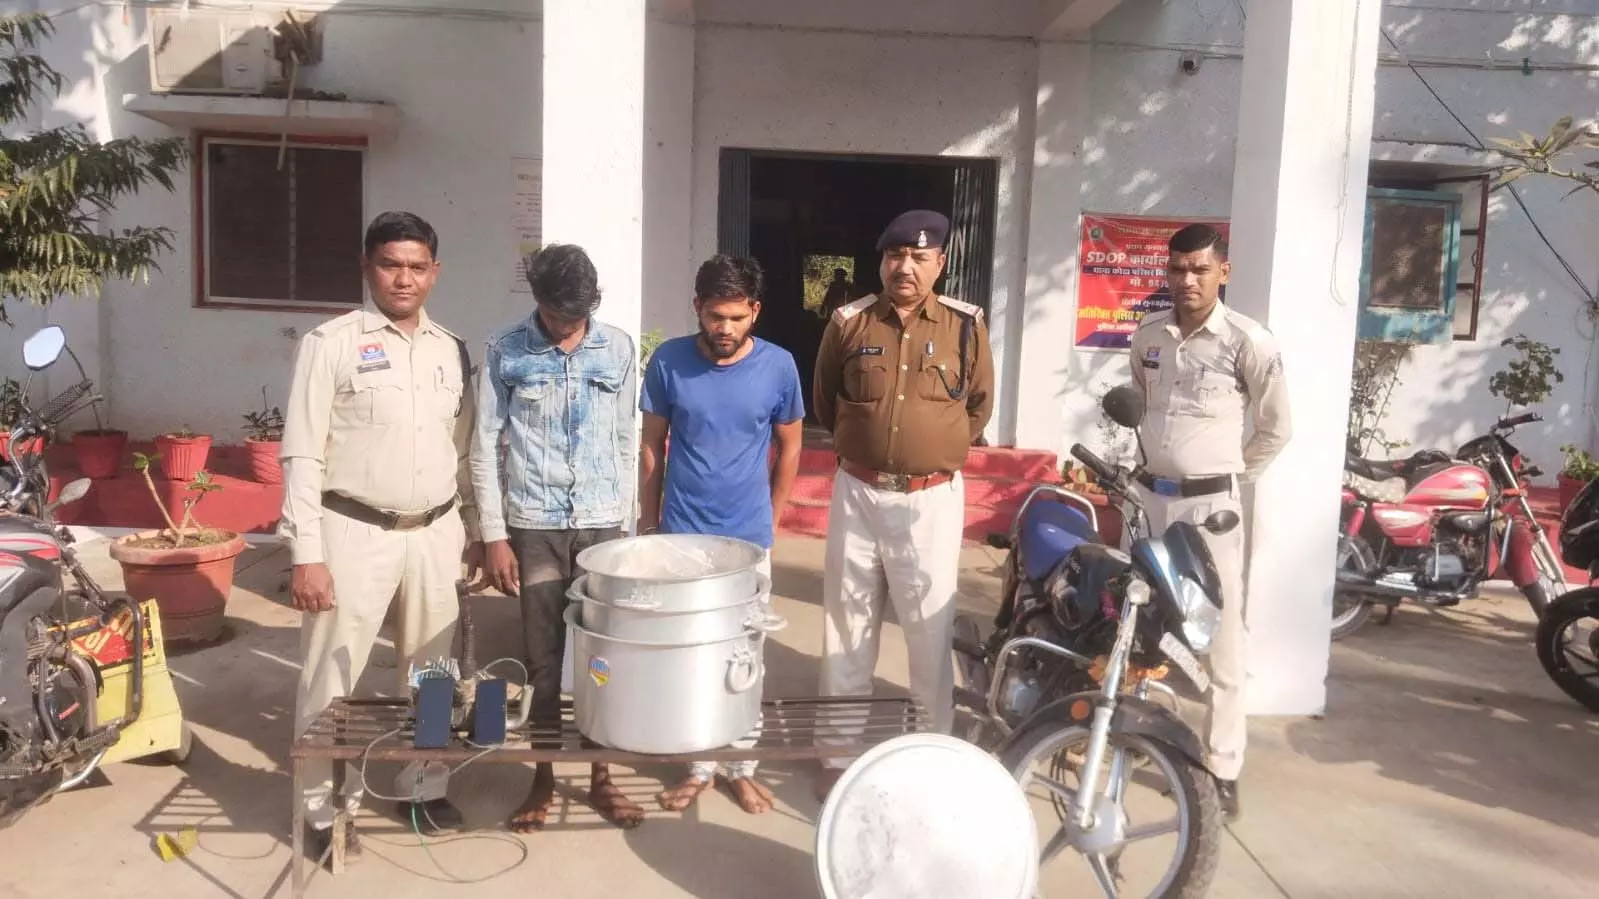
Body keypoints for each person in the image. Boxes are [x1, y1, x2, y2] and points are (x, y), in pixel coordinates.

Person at [282, 211, 483, 866]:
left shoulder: (451, 349)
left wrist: (473, 531)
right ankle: (321, 808)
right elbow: (302, 452)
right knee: (331, 674)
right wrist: (306, 554)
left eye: (416, 266)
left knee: (431, 672)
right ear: (368, 267)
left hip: (435, 531)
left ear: (435, 272)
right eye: (391, 264)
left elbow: (463, 452)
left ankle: (422, 785)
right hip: (352, 530)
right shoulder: (331, 343)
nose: (404, 278)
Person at [811, 210, 994, 800]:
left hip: (929, 500)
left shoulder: (966, 327)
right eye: (895, 256)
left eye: (919, 257)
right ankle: (838, 754)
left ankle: (927, 756)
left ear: (941, 263)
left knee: (929, 630)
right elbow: (826, 403)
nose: (905, 268)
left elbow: (978, 407)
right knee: (846, 626)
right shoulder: (849, 322)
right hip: (859, 492)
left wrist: (929, 447)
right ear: (881, 261)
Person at [469, 243, 643, 832]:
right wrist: (495, 534)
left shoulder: (618, 348)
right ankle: (542, 776)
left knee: (604, 658)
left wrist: (625, 525)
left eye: (578, 315)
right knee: (543, 662)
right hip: (535, 527)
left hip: (602, 527)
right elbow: (484, 448)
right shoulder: (506, 349)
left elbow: (625, 438)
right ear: (537, 298)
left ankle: (600, 776)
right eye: (557, 313)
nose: (568, 326)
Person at [1127, 222, 1292, 821]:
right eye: (1177, 269)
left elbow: (1275, 428)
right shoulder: (1149, 336)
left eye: (1199, 269)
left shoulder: (1248, 341)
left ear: (1223, 272)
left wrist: (1227, 478)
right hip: (1150, 502)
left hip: (1209, 511)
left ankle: (1221, 767)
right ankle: (1133, 733)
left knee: (1221, 639)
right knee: (1139, 622)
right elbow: (1142, 407)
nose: (1187, 280)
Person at [638, 254, 805, 815]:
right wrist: (649, 525)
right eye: (715, 316)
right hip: (681, 537)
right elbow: (651, 447)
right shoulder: (669, 361)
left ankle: (741, 767)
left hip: (747, 541)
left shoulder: (779, 367)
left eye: (736, 317)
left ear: (755, 310)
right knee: (691, 656)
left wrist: (771, 520)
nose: (725, 328)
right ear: (697, 308)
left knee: (745, 657)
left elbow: (791, 447)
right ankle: (700, 766)